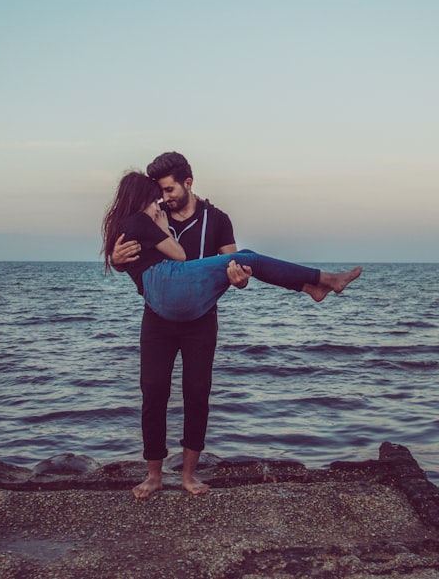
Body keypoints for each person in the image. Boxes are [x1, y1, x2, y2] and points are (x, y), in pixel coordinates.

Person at [104, 154, 361, 498]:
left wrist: (239, 281)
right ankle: (153, 476)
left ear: (188, 183)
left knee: (197, 393)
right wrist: (117, 262)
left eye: (168, 190)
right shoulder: (153, 217)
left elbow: (235, 265)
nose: (163, 199)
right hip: (158, 318)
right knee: (153, 393)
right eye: (158, 193)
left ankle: (189, 475)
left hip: (201, 317)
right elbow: (133, 259)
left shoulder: (217, 220)